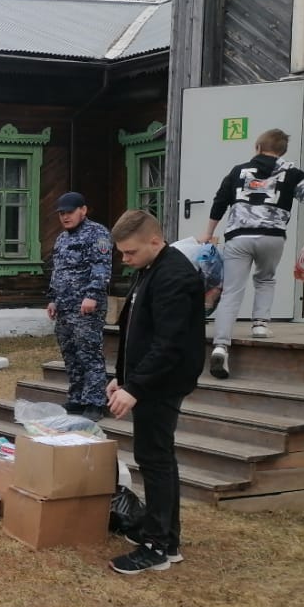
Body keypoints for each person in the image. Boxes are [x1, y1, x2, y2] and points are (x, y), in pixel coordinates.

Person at [106, 210, 205, 574]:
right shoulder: (150, 269)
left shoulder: (175, 277)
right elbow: (133, 329)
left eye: (129, 252)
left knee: (156, 459)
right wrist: (121, 377)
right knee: (154, 457)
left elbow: (168, 344)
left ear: (154, 240)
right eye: (121, 253)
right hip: (147, 379)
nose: (124, 259)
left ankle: (159, 547)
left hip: (163, 382)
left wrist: (136, 386)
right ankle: (163, 536)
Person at [202, 128, 304, 379]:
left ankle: (221, 346)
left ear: (257, 147)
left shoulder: (238, 171)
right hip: (272, 237)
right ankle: (259, 326)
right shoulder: (292, 173)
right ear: (282, 151)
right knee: (266, 278)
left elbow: (220, 201)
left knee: (232, 290)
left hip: (239, 238)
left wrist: (208, 232)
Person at [46, 191, 112, 421]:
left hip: (86, 307)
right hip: (64, 306)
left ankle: (95, 401)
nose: (65, 217)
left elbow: (101, 267)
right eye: (61, 213)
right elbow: (58, 271)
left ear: (83, 210)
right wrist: (53, 298)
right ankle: (77, 397)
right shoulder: (62, 238)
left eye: (70, 212)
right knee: (71, 354)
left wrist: (92, 295)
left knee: (89, 352)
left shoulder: (98, 233)